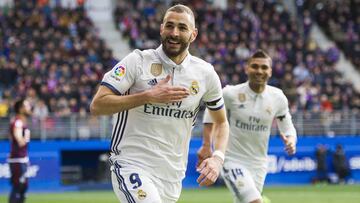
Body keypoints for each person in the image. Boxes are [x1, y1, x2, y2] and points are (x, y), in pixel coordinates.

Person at [90, 4, 229, 203]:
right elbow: (98, 105)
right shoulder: (137, 62)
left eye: (182, 28)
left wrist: (217, 157)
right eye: (170, 26)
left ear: (193, 34)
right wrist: (147, 96)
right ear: (161, 28)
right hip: (131, 164)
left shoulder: (205, 74)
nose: (174, 33)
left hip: (172, 175)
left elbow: (222, 122)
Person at [198, 50, 297, 203]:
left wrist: (291, 140)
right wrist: (206, 145)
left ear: (270, 71)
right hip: (232, 159)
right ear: (247, 69)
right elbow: (210, 114)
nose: (259, 71)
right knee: (254, 201)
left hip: (259, 163)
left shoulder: (278, 97)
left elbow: (288, 127)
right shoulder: (230, 93)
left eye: (264, 68)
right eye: (255, 66)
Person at [8, 98, 32, 203]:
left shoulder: (21, 121)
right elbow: (18, 139)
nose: (29, 107)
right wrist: (22, 140)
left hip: (21, 158)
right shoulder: (18, 121)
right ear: (21, 108)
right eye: (27, 105)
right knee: (18, 187)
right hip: (17, 159)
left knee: (23, 188)